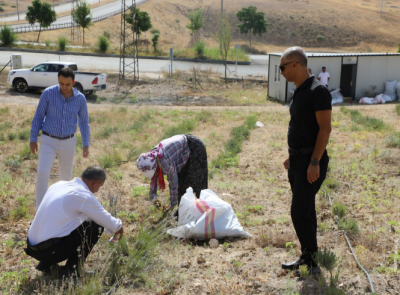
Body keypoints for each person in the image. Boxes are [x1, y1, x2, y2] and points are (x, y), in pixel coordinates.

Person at [279, 47, 332, 276]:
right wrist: (292, 156)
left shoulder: (317, 91)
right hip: (298, 160)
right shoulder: (299, 91)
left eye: (282, 67)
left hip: (311, 161)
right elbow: (300, 127)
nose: (281, 72)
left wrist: (314, 162)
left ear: (295, 64)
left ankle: (312, 265)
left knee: (299, 212)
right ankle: (309, 257)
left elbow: (325, 128)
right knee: (306, 210)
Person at [24, 166, 123, 278]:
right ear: (95, 182)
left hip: (32, 247)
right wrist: (119, 229)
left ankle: (46, 264)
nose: (97, 191)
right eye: (99, 187)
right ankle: (71, 270)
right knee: (96, 224)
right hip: (47, 250)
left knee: (77, 221)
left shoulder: (59, 185)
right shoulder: (83, 195)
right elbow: (106, 220)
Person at [30, 67, 90, 210]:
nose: (64, 87)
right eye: (61, 83)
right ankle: (40, 211)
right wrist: (33, 138)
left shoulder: (80, 99)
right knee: (43, 172)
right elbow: (38, 116)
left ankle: (62, 211)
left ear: (73, 82)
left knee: (66, 177)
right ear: (58, 80)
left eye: (67, 84)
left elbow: (83, 122)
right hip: (48, 140)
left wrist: (86, 143)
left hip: (68, 141)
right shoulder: (48, 93)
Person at [136, 134, 208, 216]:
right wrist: (155, 200)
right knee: (182, 186)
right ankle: (183, 212)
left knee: (196, 183)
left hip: (194, 148)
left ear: (156, 167)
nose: (154, 175)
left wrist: (172, 204)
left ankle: (206, 212)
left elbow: (173, 183)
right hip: (182, 152)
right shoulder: (151, 159)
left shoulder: (164, 162)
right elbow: (154, 180)